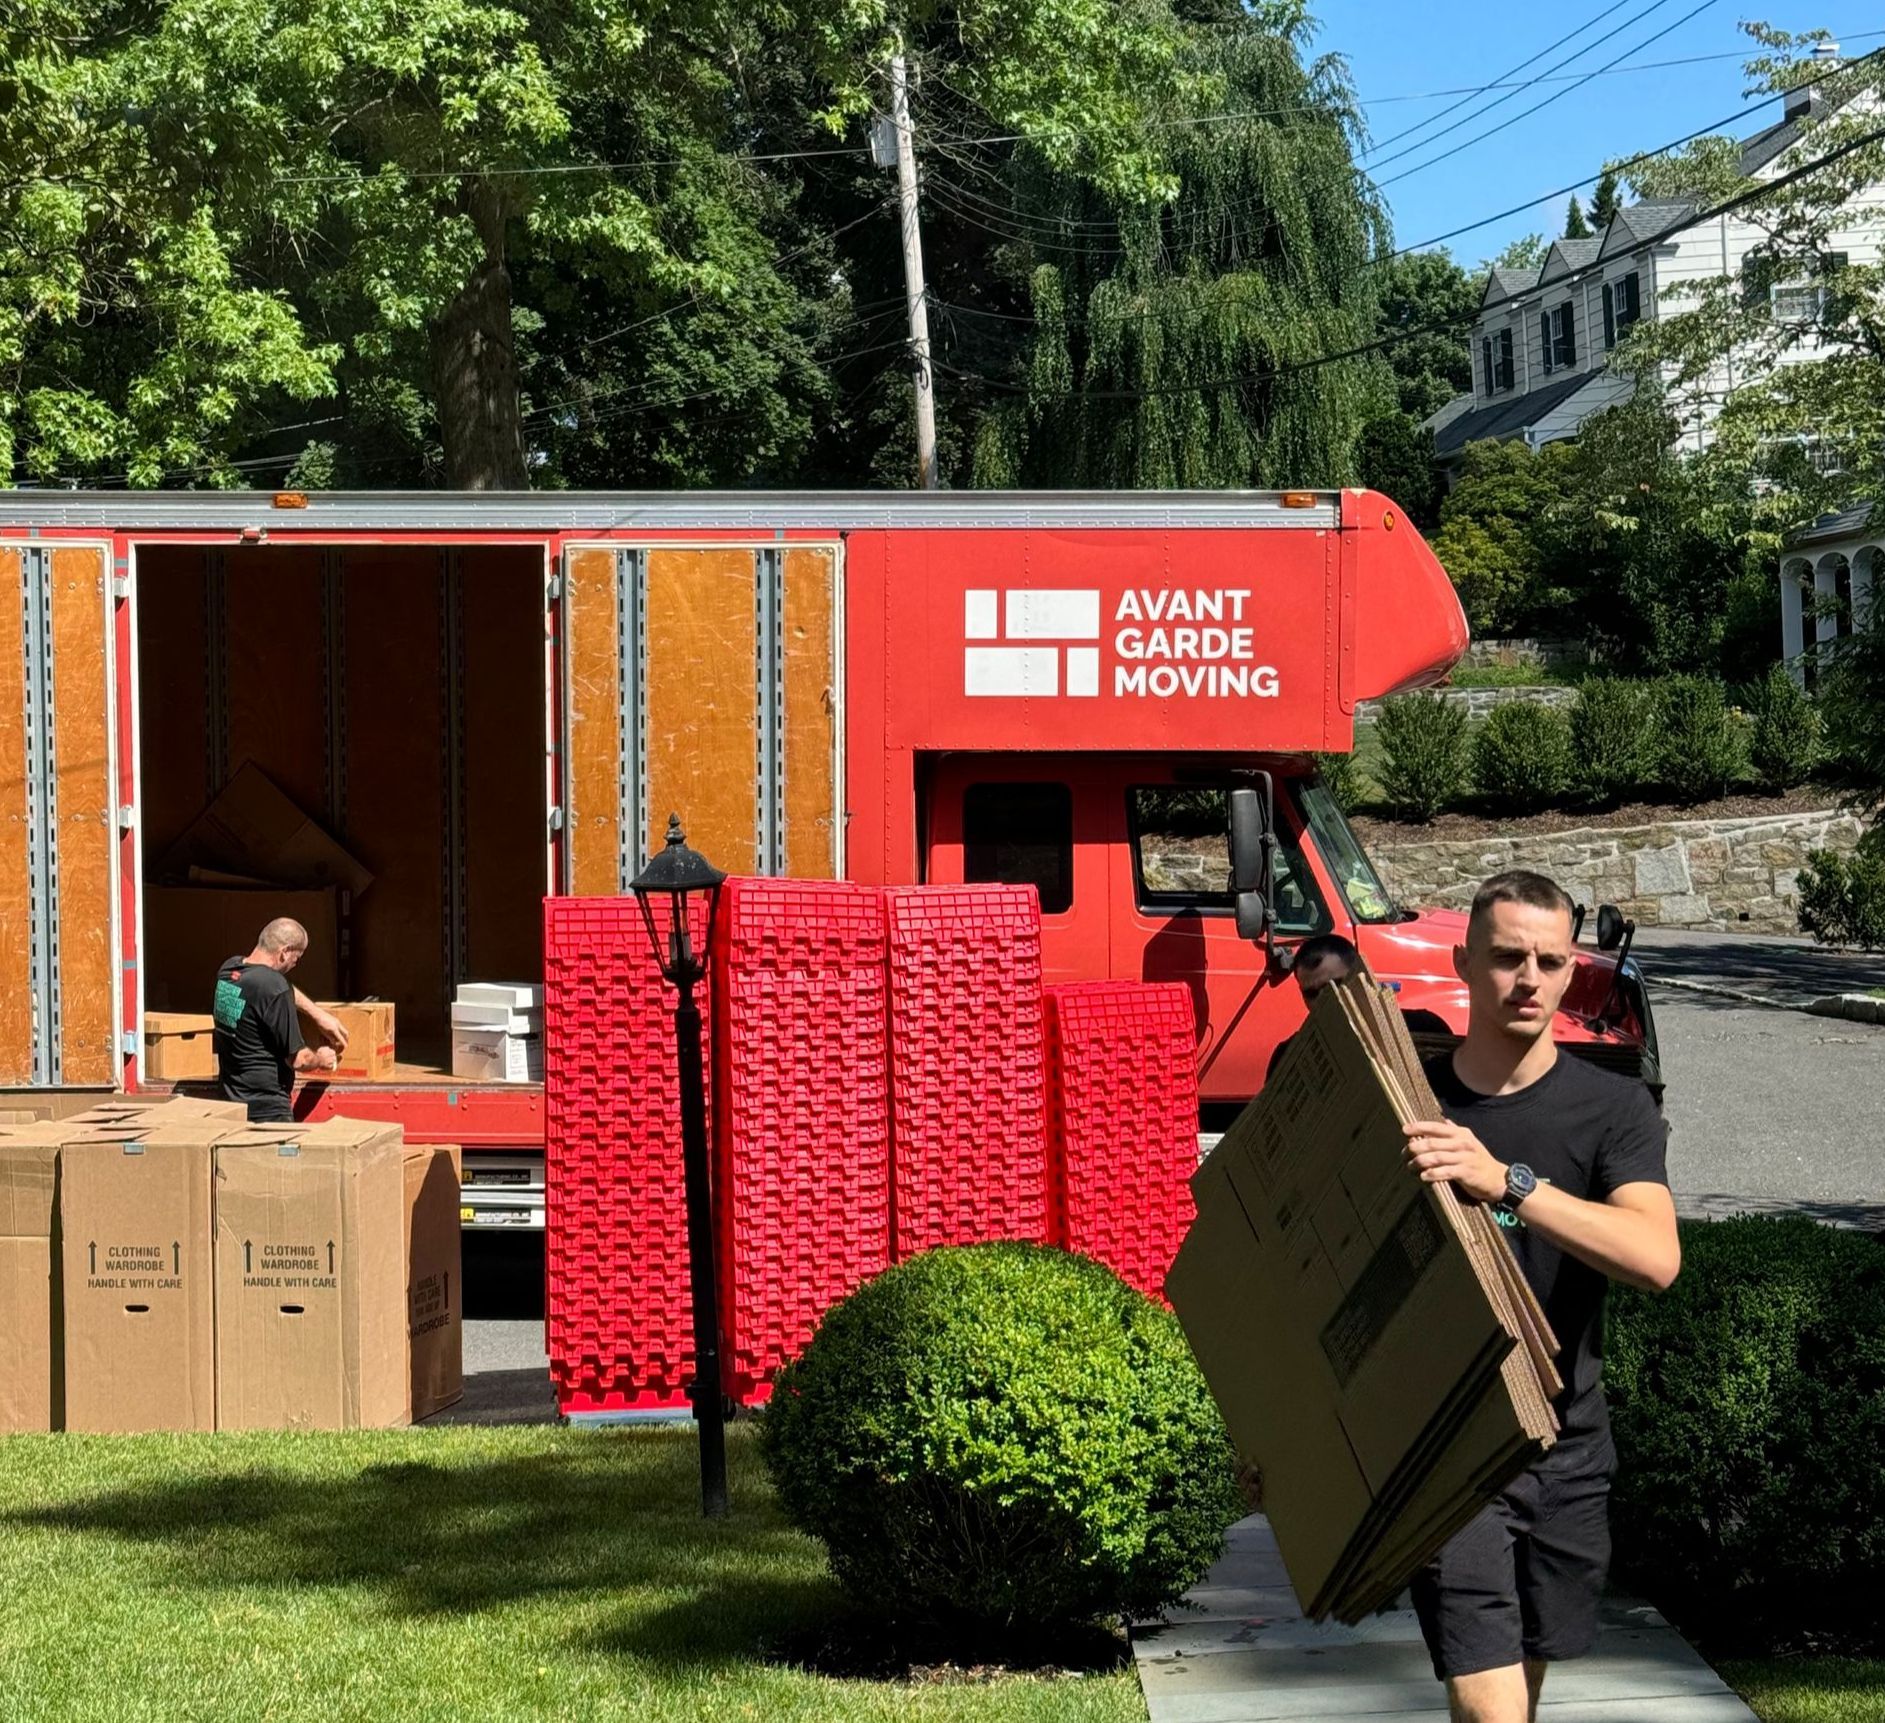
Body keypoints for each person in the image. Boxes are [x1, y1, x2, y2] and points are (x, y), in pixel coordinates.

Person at [1402, 870, 1679, 1723]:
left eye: (1547, 960)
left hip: (1567, 1447)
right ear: (1462, 961)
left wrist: (1507, 1183)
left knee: (1518, 1687)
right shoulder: (1409, 1104)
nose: (1527, 978)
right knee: (1489, 1708)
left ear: (1570, 972)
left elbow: (1654, 1257)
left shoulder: (1613, 1108)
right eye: (1506, 956)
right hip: (1452, 1454)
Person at [212, 918, 348, 1122]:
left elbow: (274, 987)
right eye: (296, 957)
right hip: (268, 1110)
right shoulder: (275, 987)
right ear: (285, 952)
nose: (295, 964)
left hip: (230, 1104)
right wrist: (321, 1059)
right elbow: (299, 1060)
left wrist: (316, 1013)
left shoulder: (229, 970)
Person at [1265, 932, 1360, 1081]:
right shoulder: (1288, 1057)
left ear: (1359, 977)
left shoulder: (1404, 1031)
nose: (1324, 999)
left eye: (1334, 985)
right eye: (1312, 994)